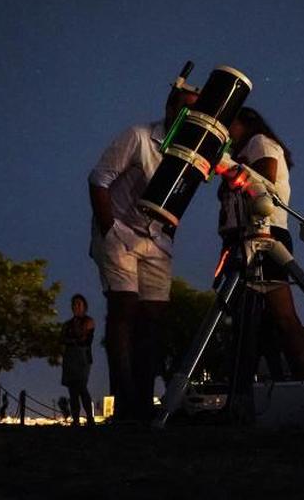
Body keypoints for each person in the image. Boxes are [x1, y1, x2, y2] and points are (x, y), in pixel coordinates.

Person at [88, 84, 198, 421]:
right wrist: (109, 229)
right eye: (182, 108)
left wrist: (169, 233)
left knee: (154, 318)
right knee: (123, 307)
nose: (187, 116)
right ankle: (125, 401)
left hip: (156, 239)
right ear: (168, 106)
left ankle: (143, 398)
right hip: (120, 229)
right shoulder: (138, 136)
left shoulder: (192, 150)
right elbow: (99, 179)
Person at [217, 107, 304, 381]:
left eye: (230, 124)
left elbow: (264, 181)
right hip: (242, 237)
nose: (227, 132)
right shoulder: (243, 152)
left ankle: (303, 381)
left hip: (266, 235)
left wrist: (226, 165)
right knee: (248, 321)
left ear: (246, 123)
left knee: (284, 316)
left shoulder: (260, 143)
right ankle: (247, 389)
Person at [60, 293, 96, 426]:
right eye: (74, 304)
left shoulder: (88, 321)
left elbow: (85, 339)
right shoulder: (68, 324)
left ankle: (90, 419)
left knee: (81, 387)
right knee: (72, 390)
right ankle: (76, 420)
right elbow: (63, 339)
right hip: (70, 358)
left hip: (82, 358)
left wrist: (72, 340)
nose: (76, 306)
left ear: (84, 306)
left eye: (79, 304)